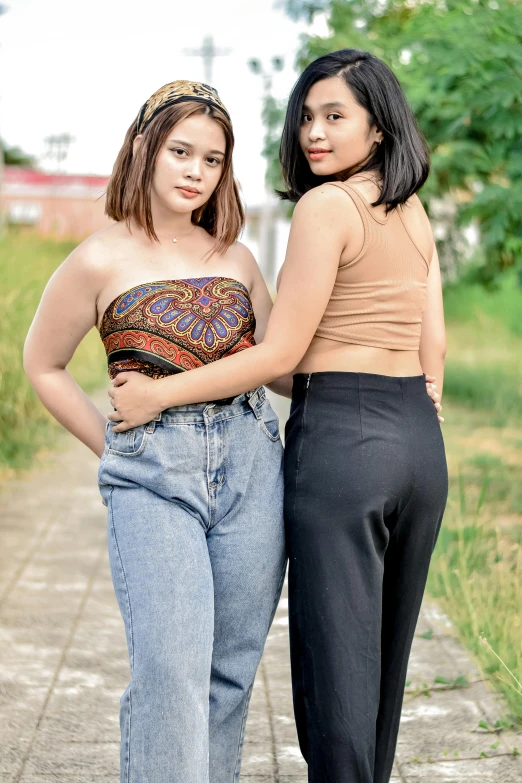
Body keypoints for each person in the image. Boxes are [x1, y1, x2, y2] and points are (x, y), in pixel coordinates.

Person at [107, 50, 448, 783]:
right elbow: (434, 348)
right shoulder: (411, 209)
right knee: (384, 669)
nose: (313, 133)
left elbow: (280, 353)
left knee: (335, 683)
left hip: (346, 442)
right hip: (419, 442)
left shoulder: (327, 206)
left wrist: (160, 393)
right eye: (307, 115)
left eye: (335, 116)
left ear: (379, 128)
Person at [23, 80, 287, 783]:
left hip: (253, 464)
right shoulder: (98, 258)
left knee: (228, 673)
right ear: (144, 147)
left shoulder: (235, 257)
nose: (196, 170)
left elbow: (282, 367)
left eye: (213, 159)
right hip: (154, 480)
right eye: (180, 151)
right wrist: (114, 446)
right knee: (170, 671)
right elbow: (42, 364)